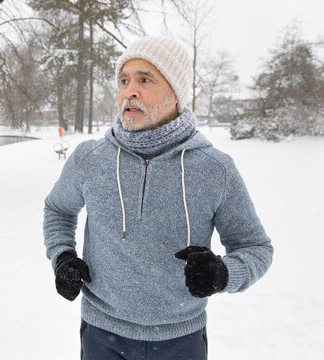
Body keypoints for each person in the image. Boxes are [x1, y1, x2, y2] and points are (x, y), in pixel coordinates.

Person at [43, 36, 273, 360]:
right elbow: (58, 208)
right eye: (124, 80)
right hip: (101, 335)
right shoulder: (89, 158)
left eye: (144, 79)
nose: (129, 91)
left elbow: (255, 248)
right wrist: (62, 256)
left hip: (181, 339)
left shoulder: (215, 169)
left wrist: (222, 273)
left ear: (175, 93)